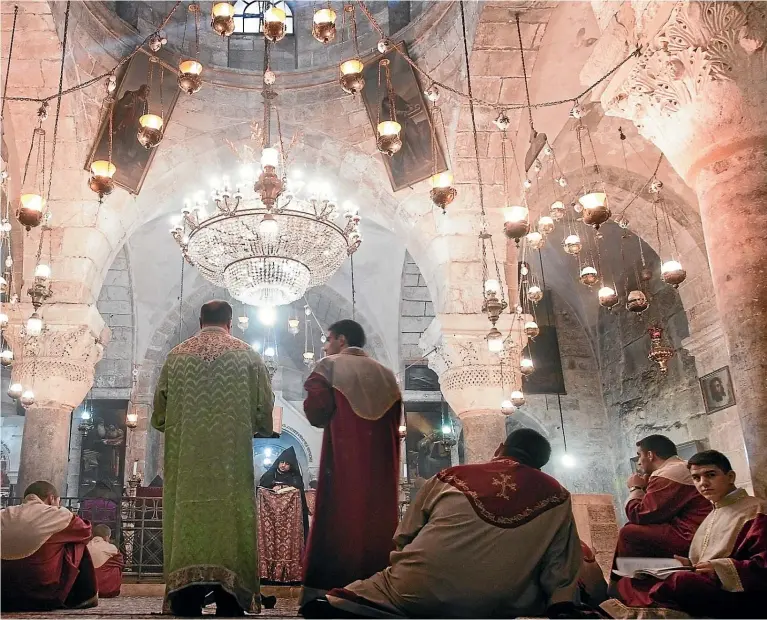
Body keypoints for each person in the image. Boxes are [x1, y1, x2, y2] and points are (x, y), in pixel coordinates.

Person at [318, 429, 582, 618]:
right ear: (541, 466)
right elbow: (559, 566)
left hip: (416, 591)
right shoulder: (557, 495)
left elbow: (404, 535)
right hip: (500, 602)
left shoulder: (451, 476)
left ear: (499, 448)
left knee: (366, 591)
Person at [152, 300, 275, 616]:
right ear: (230, 323)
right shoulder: (248, 356)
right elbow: (265, 411)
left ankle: (185, 597)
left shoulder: (175, 357)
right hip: (229, 468)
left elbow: (159, 416)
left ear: (200, 321)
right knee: (231, 527)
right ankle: (229, 599)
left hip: (187, 469)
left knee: (186, 527)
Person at [300, 319, 402, 609]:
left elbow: (316, 414)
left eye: (328, 339)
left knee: (339, 520)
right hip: (381, 470)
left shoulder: (329, 366)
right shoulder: (386, 375)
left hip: (343, 464)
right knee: (376, 524)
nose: (324, 345)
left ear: (341, 340)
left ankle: (329, 594)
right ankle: (375, 593)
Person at [602, 450, 766, 619]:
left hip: (741, 594)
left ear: (730, 477)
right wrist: (689, 562)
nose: (703, 483)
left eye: (710, 475)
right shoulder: (714, 512)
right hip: (708, 583)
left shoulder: (757, 510)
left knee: (681, 581)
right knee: (630, 579)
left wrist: (718, 569)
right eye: (696, 478)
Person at [1, 480, 98, 611]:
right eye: (58, 501)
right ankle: (84, 597)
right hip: (42, 596)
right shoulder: (58, 514)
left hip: (3, 596)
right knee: (77, 542)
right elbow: (86, 530)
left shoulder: (3, 513)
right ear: (52, 499)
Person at [615, 435, 711, 561]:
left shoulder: (667, 473)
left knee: (628, 533)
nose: (638, 462)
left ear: (650, 455)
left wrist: (635, 488)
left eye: (639, 455)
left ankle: (628, 579)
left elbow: (639, 514)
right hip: (698, 530)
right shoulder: (679, 467)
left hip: (691, 535)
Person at [259, 446, 310, 541]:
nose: (283, 465)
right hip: (272, 515)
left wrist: (283, 488)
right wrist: (272, 488)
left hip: (289, 517)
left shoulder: (295, 477)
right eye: (282, 462)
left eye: (287, 464)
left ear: (291, 466)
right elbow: (262, 487)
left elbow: (297, 488)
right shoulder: (270, 474)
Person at [87, 524, 123, 598]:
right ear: (107, 537)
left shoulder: (86, 546)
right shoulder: (111, 547)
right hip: (106, 589)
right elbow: (121, 562)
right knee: (116, 564)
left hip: (87, 588)